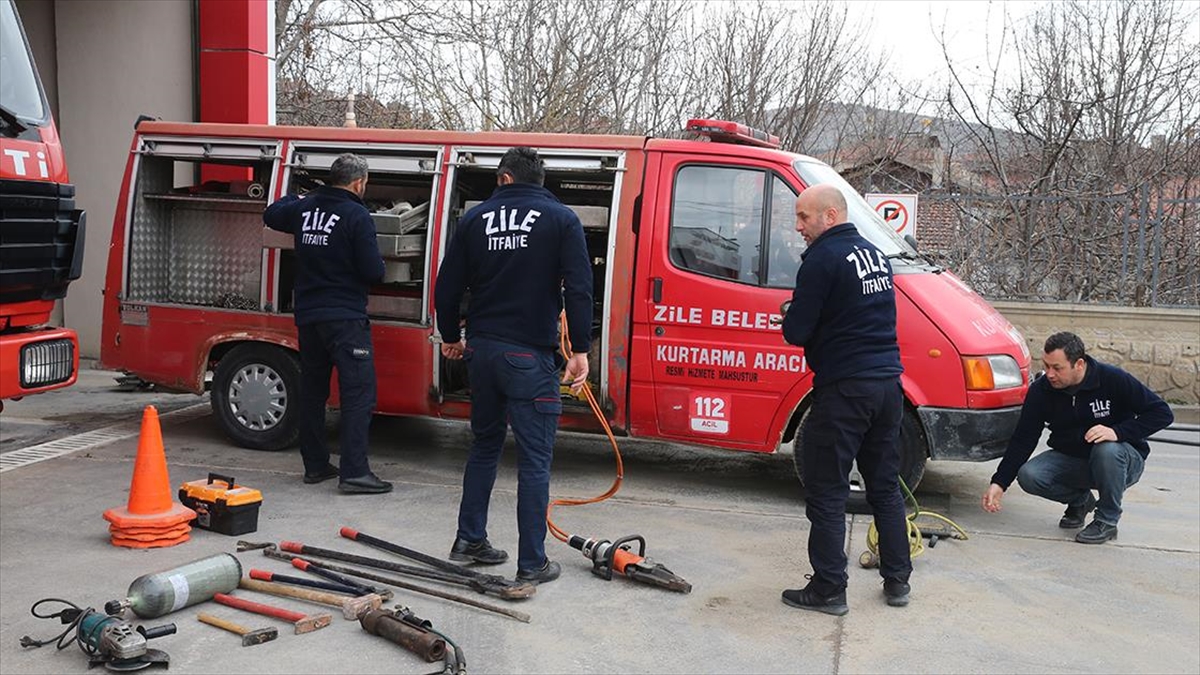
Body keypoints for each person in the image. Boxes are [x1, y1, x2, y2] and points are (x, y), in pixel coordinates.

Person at [434, 146, 593, 585]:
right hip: (528, 356)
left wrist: (451, 337)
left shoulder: (474, 220)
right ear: (539, 181)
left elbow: (446, 287)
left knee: (484, 446)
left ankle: (469, 539)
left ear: (504, 179)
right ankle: (532, 563)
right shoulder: (562, 219)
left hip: (482, 352)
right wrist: (580, 348)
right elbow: (579, 289)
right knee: (535, 460)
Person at [779, 183, 912, 615]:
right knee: (885, 487)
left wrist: (790, 316)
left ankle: (828, 590)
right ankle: (897, 581)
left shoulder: (822, 259)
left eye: (804, 217)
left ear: (830, 216)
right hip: (888, 387)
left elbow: (797, 331)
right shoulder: (874, 254)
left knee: (827, 491)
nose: (798, 226)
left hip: (845, 390)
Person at [263, 153, 392, 495]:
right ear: (359, 183)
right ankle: (354, 473)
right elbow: (373, 271)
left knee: (313, 392)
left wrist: (303, 196)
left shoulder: (304, 209)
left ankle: (316, 465)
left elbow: (271, 212)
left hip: (309, 316)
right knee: (358, 394)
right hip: (345, 319)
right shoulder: (356, 214)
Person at [981, 332, 1173, 543]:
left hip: (1122, 462)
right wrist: (999, 483)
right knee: (1030, 475)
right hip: (1074, 460)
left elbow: (1162, 413)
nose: (1050, 374)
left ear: (1079, 364)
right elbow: (1023, 439)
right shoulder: (1041, 391)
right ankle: (1080, 501)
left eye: (1057, 368)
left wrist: (1118, 432)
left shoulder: (1112, 379)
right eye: (1046, 366)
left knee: (1107, 449)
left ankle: (1107, 521)